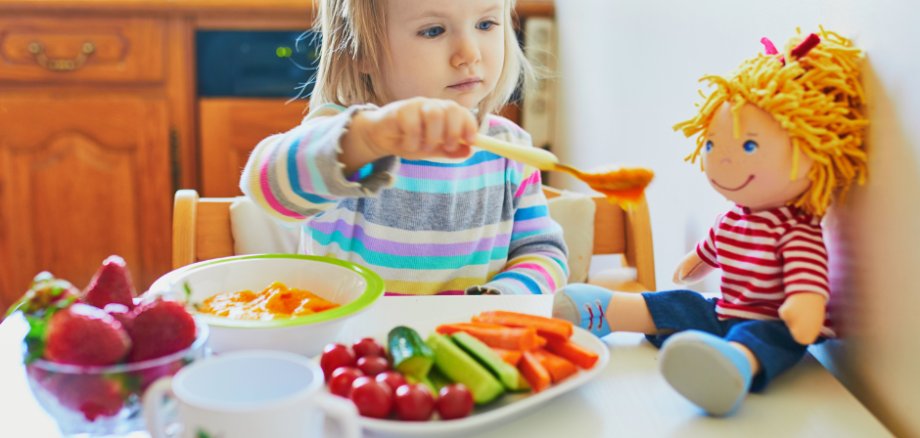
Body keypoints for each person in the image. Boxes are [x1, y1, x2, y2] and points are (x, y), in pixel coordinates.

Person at [553, 28, 867, 416]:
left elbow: (807, 283)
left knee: (764, 338)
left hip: (770, 321)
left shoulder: (796, 231)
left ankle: (731, 366)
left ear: (813, 149)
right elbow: (712, 250)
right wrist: (694, 264)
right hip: (722, 310)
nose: (721, 161)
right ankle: (607, 311)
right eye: (712, 145)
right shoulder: (732, 218)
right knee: (683, 302)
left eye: (749, 146)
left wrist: (805, 307)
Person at [240, 0, 568, 296]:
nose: (469, 53)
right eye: (433, 30)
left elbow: (543, 252)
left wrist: (503, 299)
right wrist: (368, 139)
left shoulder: (510, 151)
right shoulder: (346, 143)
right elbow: (265, 188)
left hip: (469, 349)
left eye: (485, 24)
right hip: (355, 356)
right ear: (361, 54)